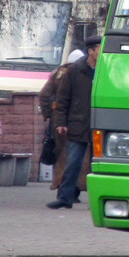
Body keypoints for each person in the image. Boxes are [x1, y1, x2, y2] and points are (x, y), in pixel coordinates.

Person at [46, 35, 101, 210]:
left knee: (99, 166)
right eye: (100, 47)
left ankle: (99, 200)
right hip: (78, 124)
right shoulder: (75, 71)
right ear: (91, 50)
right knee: (73, 162)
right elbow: (62, 100)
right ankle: (64, 197)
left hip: (101, 125)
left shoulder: (107, 69)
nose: (103, 51)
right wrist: (60, 122)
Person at [39, 49, 86, 194]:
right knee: (80, 155)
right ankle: (75, 188)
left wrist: (48, 115)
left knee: (60, 155)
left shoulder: (57, 74)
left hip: (58, 121)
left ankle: (60, 185)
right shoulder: (83, 74)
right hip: (80, 122)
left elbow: (44, 95)